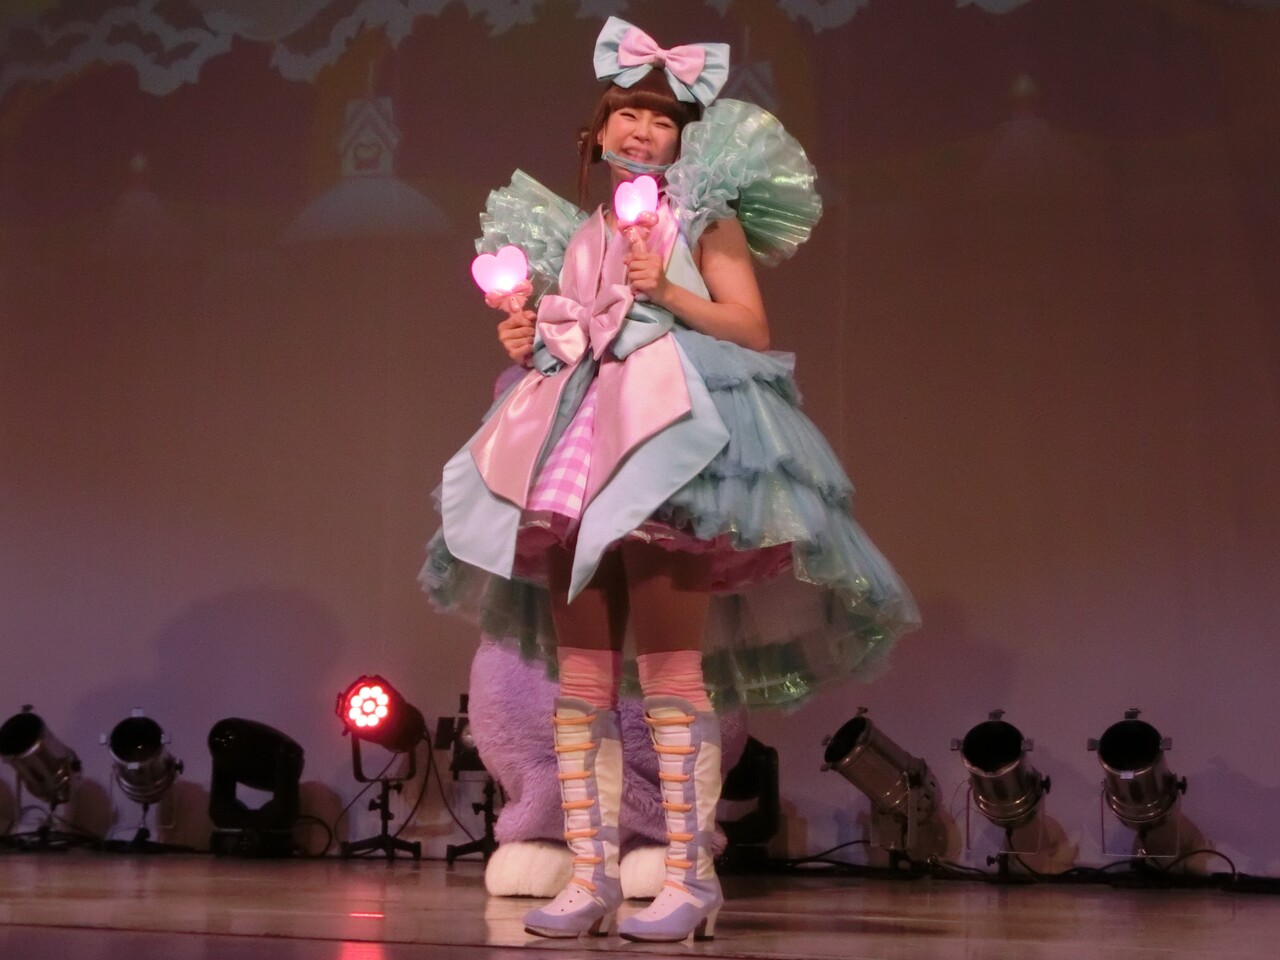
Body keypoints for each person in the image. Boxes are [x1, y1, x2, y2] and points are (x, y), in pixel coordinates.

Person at [422, 17, 919, 943]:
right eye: (630, 114)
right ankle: (591, 874)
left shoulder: (700, 218)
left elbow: (750, 327)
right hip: (578, 453)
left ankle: (690, 878)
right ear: (597, 132)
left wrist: (667, 289)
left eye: (664, 119)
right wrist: (531, 339)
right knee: (581, 675)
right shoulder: (582, 235)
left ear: (683, 140)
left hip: (668, 455)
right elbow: (577, 334)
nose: (645, 130)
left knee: (668, 669)